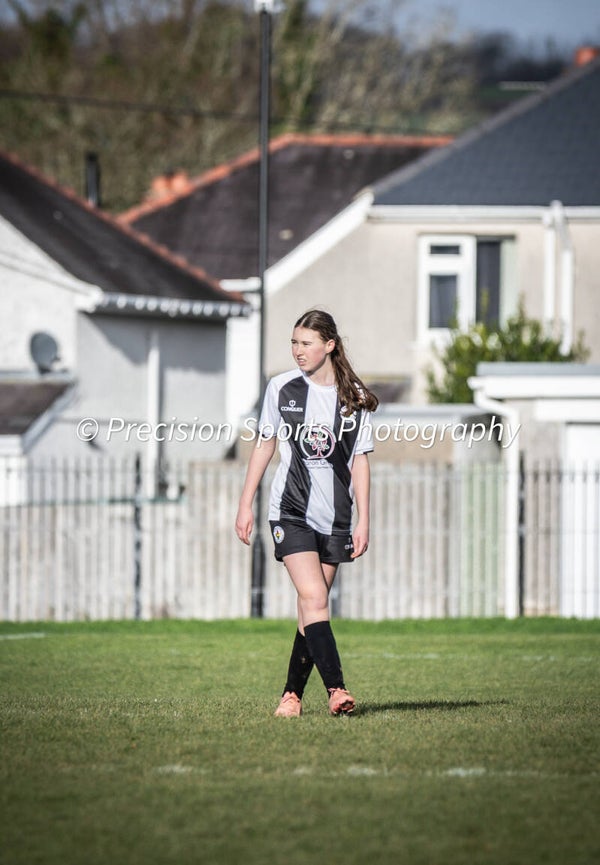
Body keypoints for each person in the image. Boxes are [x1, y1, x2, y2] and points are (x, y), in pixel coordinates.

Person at [235, 309, 378, 717]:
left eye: (306, 343)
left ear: (329, 345)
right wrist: (246, 503)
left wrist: (364, 519)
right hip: (290, 512)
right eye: (294, 343)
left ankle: (290, 697)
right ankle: (337, 690)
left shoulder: (354, 398)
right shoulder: (281, 388)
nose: (298, 351)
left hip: (335, 518)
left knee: (309, 611)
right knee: (314, 598)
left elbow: (361, 462)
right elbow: (264, 445)